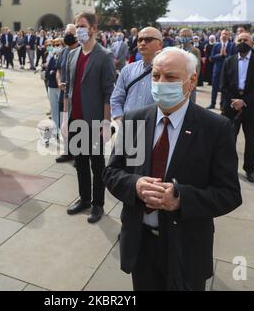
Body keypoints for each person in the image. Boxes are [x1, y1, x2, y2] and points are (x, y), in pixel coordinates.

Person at [103, 46, 242, 291]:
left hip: (186, 248)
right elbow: (112, 172)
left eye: (170, 77)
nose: (160, 83)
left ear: (192, 81)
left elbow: (229, 194)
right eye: (156, 76)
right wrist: (134, 185)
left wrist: (181, 199)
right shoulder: (135, 119)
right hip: (141, 244)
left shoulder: (216, 128)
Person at [62, 12, 116, 223]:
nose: (78, 29)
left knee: (97, 165)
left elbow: (108, 93)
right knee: (81, 162)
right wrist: (65, 118)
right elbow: (69, 89)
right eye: (77, 26)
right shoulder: (73, 54)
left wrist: (105, 124)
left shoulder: (104, 56)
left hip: (94, 121)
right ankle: (84, 199)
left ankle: (98, 204)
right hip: (76, 119)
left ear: (94, 28)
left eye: (82, 25)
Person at [220, 33, 254, 183]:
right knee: (228, 139)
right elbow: (223, 84)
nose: (242, 42)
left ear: (252, 43)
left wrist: (244, 101)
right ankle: (227, 170)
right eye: (239, 40)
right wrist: (234, 101)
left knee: (251, 140)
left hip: (252, 107)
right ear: (235, 43)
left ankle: (250, 169)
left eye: (245, 40)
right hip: (231, 105)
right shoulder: (229, 61)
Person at [110, 27, 164, 121]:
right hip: (127, 128)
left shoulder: (167, 72)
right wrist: (120, 119)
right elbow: (116, 99)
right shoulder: (127, 70)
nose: (143, 43)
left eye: (148, 39)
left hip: (153, 130)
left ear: (160, 44)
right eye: (140, 40)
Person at [55, 24, 79, 163]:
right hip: (63, 95)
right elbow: (59, 68)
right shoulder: (64, 51)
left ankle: (78, 155)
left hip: (75, 97)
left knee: (75, 124)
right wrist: (59, 82)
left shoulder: (81, 52)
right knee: (63, 123)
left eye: (71, 32)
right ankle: (67, 151)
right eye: (66, 32)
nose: (68, 34)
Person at [208, 30, 236, 110]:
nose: (224, 35)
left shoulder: (232, 45)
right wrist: (220, 55)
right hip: (217, 70)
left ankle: (222, 104)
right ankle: (212, 103)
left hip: (227, 71)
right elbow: (211, 58)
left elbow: (234, 58)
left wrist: (226, 55)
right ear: (220, 35)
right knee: (214, 88)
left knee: (224, 88)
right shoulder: (216, 45)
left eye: (226, 34)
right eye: (223, 34)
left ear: (229, 36)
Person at [46, 38, 64, 133]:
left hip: (60, 88)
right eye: (55, 45)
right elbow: (47, 74)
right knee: (54, 110)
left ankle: (62, 129)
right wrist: (52, 72)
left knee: (61, 110)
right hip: (52, 87)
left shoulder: (64, 57)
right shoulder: (52, 58)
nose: (56, 47)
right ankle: (55, 129)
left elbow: (60, 71)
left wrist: (53, 72)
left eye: (58, 45)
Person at [178, 29, 201, 103]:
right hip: (177, 82)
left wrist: (194, 82)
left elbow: (197, 68)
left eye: (186, 36)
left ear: (191, 37)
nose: (184, 38)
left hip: (189, 82)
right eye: (182, 36)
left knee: (190, 104)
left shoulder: (195, 51)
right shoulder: (175, 49)